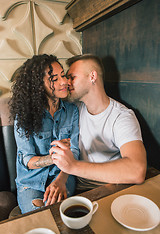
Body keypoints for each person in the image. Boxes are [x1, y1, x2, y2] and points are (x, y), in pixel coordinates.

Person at [49, 54, 147, 191]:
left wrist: (74, 166)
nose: (67, 82)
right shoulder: (74, 109)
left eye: (72, 77)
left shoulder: (122, 116)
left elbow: (137, 171)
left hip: (108, 190)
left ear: (92, 77)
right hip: (75, 187)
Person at [9, 54, 79, 213]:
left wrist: (61, 180)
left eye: (63, 75)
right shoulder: (24, 116)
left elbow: (74, 151)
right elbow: (28, 160)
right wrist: (56, 156)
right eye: (54, 79)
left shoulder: (72, 111)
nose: (64, 82)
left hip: (64, 175)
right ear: (39, 86)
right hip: (31, 182)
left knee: (59, 213)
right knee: (40, 216)